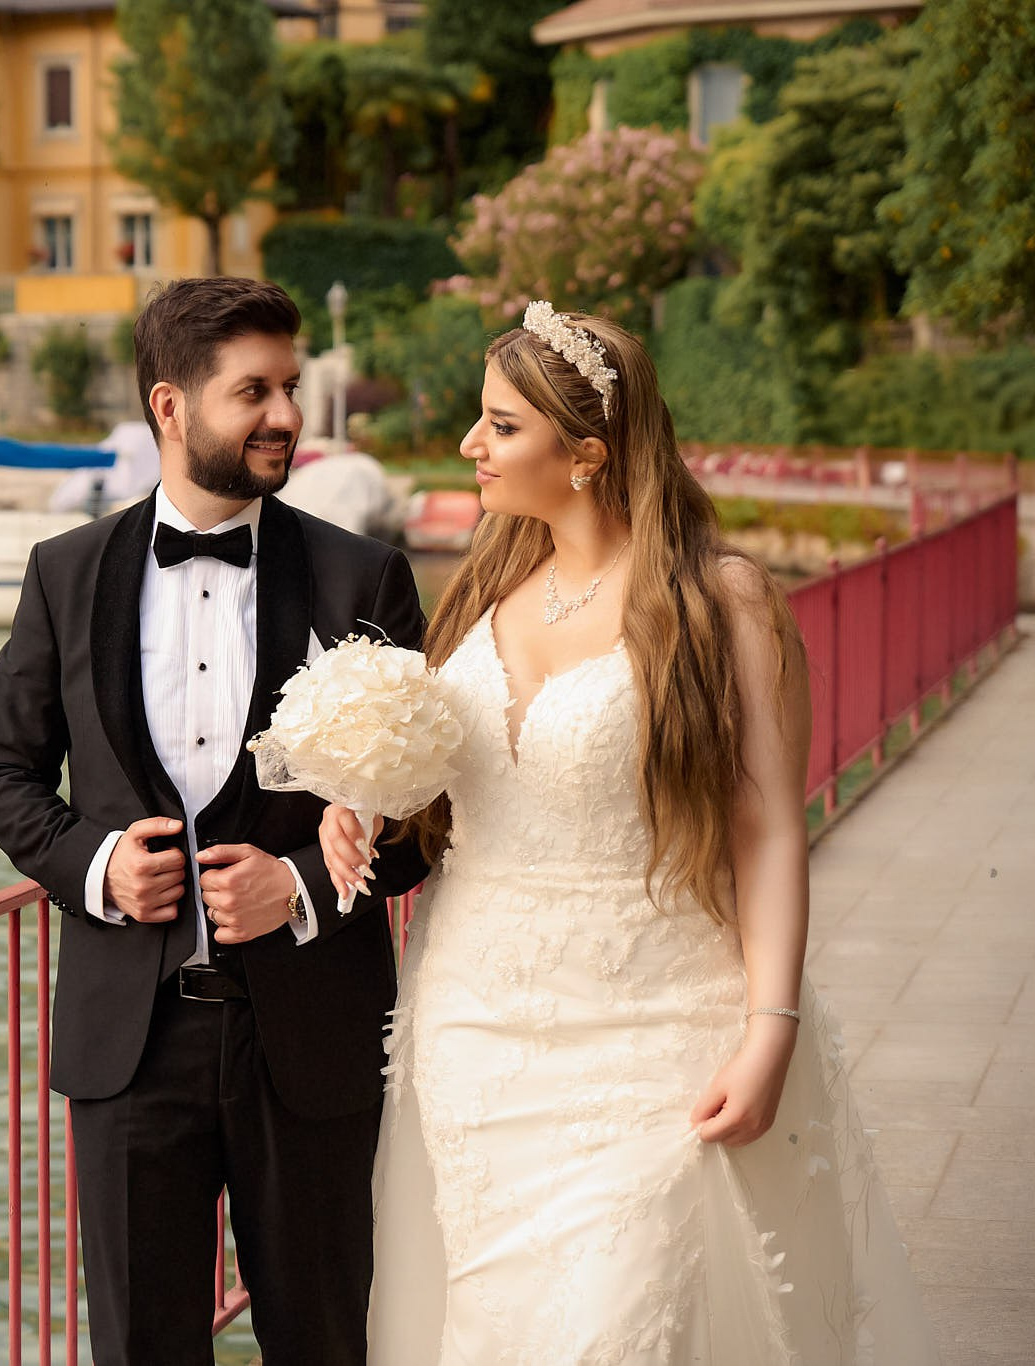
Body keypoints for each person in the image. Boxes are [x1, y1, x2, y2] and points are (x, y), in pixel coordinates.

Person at [327, 304, 939, 1364]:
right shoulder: (478, 586)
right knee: (494, 1326)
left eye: (498, 426)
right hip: (472, 1023)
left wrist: (769, 1025)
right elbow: (450, 778)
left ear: (585, 454)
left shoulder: (720, 602)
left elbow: (764, 836)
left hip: (654, 1025)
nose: (470, 445)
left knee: (615, 1326)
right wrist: (358, 802)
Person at [0, 277, 429, 1366]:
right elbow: (0, 769)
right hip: (129, 1042)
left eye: (289, 387)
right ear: (170, 408)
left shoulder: (363, 577)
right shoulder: (64, 574)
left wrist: (303, 887)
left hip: (308, 1036)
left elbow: (420, 814)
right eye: (251, 392)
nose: (282, 415)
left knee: (322, 1340)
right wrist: (94, 864)